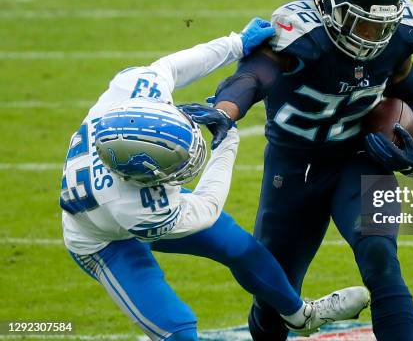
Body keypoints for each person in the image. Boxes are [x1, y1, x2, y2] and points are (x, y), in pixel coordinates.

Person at [60, 18, 370, 341]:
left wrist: (236, 43)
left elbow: (173, 66)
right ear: (147, 175)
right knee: (178, 328)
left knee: (239, 245)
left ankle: (299, 316)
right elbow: (207, 206)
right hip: (101, 239)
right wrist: (228, 142)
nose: (188, 163)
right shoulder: (137, 207)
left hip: (126, 198)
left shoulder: (136, 87)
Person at [196, 0, 413, 340]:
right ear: (328, 3)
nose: (374, 36)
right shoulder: (300, 32)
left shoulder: (401, 33)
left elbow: (408, 98)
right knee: (274, 297)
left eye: (382, 25)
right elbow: (253, 77)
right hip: (295, 164)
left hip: (360, 154)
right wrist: (225, 111)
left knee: (380, 256)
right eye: (363, 22)